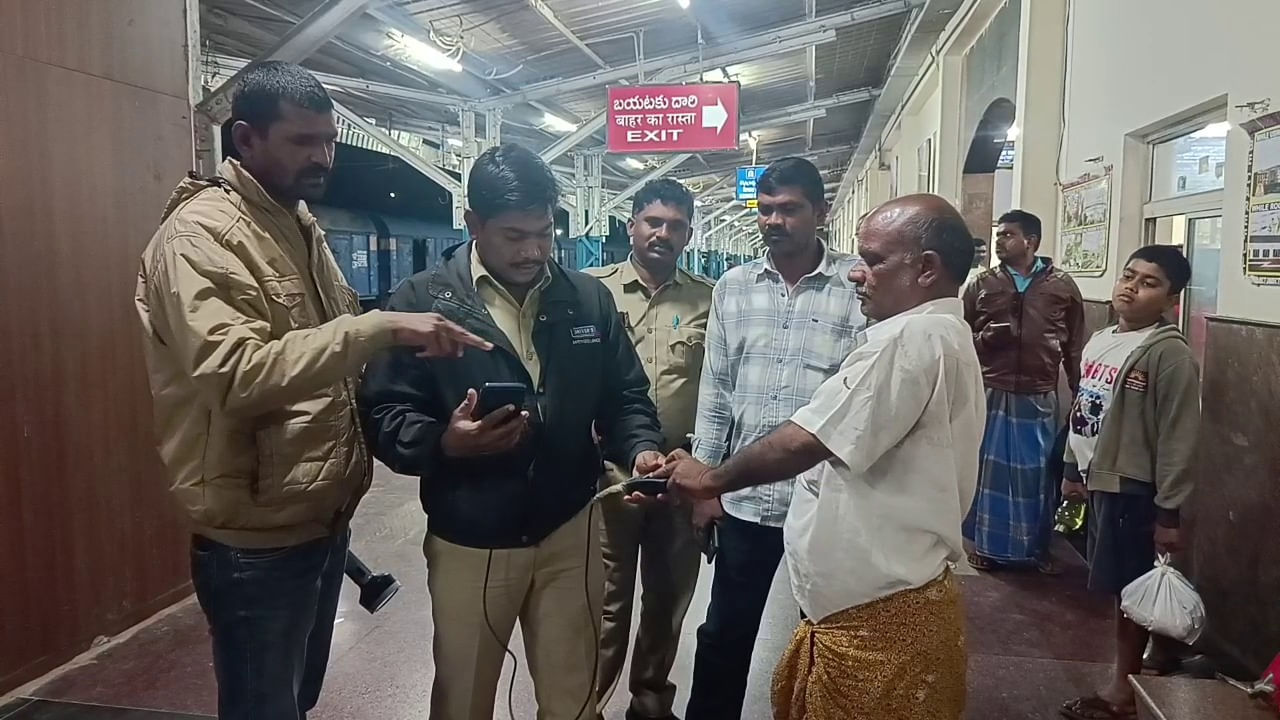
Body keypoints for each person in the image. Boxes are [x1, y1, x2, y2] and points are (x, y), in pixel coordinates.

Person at [134, 61, 490, 720]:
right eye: (303, 142)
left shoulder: (296, 225)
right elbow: (238, 376)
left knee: (294, 700)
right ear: (245, 139)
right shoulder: (200, 238)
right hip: (253, 540)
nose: (323, 156)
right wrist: (378, 327)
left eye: (328, 139)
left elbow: (327, 360)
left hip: (318, 521)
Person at [643, 194, 982, 720]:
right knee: (725, 632)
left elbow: (805, 440)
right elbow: (718, 387)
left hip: (878, 613)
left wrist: (710, 478)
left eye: (874, 261)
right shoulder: (936, 333)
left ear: (927, 269)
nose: (858, 275)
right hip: (872, 592)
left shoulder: (908, 339)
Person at [357, 143, 664, 720]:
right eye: (514, 235)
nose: (533, 250)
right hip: (471, 535)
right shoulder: (424, 302)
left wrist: (642, 448)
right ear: (473, 223)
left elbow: (625, 396)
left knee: (575, 695)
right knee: (463, 694)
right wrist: (445, 444)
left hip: (570, 528)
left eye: (544, 232)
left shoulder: (585, 300)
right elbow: (385, 414)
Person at [685, 157, 865, 720]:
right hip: (744, 500)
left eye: (789, 209)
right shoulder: (733, 289)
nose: (774, 221)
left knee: (832, 640)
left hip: (826, 503)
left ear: (821, 212)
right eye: (765, 210)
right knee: (723, 635)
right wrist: (704, 486)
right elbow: (715, 393)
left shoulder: (858, 285)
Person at [584, 179, 714, 720]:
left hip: (680, 474)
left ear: (688, 233)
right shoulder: (590, 291)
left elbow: (717, 387)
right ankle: (585, 701)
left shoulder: (709, 297)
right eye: (653, 222)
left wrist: (702, 464)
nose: (663, 234)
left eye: (676, 226)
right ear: (631, 224)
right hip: (609, 473)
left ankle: (649, 701)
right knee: (604, 600)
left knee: (668, 597)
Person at [1059, 246, 1200, 720]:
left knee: (1128, 592)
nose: (1131, 287)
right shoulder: (1101, 339)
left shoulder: (1169, 354)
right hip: (1097, 479)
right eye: (1128, 276)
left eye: (1149, 283)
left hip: (1132, 487)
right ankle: (1158, 656)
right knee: (1125, 587)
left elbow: (1178, 437)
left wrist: (1169, 512)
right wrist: (1071, 472)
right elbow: (1083, 411)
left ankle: (1121, 690)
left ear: (1171, 299)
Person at [963, 209, 1086, 574]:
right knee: (988, 472)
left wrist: (1078, 387)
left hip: (1038, 393)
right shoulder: (981, 284)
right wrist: (984, 339)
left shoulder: (1062, 286)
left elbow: (1075, 344)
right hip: (990, 390)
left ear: (1031, 241)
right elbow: (956, 337)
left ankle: (1036, 546)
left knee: (1036, 473)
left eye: (1008, 235)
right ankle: (984, 545)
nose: (999, 241)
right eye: (999, 235)